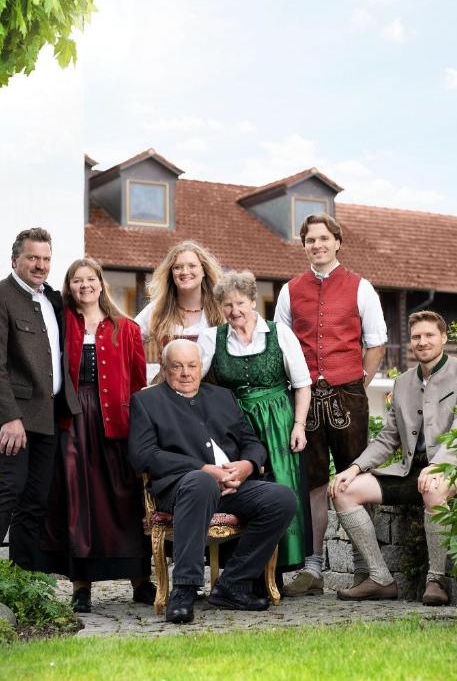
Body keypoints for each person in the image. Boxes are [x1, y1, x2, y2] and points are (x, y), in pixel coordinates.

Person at [127, 339, 297, 624]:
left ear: (201, 367)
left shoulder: (222, 396)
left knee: (282, 499)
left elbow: (251, 443)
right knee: (201, 482)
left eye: (192, 365)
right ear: (165, 369)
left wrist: (246, 466)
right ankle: (184, 590)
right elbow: (143, 455)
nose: (186, 373)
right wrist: (204, 469)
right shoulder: (147, 401)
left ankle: (233, 584)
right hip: (182, 489)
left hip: (232, 486)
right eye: (177, 366)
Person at [329, 311, 457, 604]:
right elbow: (388, 437)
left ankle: (436, 580)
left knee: (434, 488)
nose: (422, 342)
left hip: (454, 464)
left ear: (443, 338)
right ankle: (380, 579)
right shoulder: (402, 383)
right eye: (416, 337)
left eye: (429, 335)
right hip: (410, 469)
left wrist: (439, 464)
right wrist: (354, 468)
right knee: (344, 491)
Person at [274, 213, 387, 596]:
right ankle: (313, 568)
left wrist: (360, 382)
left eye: (324, 238)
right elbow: (283, 345)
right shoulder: (291, 290)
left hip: (349, 395)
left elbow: (376, 342)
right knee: (313, 483)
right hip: (304, 399)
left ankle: (362, 566)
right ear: (304, 245)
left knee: (355, 477)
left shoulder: (360, 287)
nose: (317, 245)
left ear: (337, 242)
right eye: (310, 240)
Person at [0, 227, 81, 598]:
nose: (40, 265)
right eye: (33, 258)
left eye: (46, 259)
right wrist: (8, 417)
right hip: (14, 416)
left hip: (48, 414)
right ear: (15, 259)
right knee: (11, 489)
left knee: (36, 499)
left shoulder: (51, 300)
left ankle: (25, 576)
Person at [42, 258, 154, 613]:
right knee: (78, 500)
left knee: (124, 498)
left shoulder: (128, 328)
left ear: (102, 283)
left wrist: (141, 427)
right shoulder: (61, 323)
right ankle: (81, 585)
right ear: (69, 286)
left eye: (91, 279)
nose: (85, 285)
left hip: (116, 424)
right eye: (77, 280)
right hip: (73, 421)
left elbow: (138, 384)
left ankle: (140, 580)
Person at [196, 270, 312, 576]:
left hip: (278, 420)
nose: (235, 311)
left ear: (253, 301)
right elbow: (192, 377)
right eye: (227, 305)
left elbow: (302, 384)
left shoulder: (279, 333)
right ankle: (245, 570)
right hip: (234, 424)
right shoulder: (212, 337)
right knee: (239, 489)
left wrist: (299, 424)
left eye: (240, 303)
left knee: (282, 487)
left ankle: (280, 569)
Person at [135, 241, 225, 357]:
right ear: (171, 273)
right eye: (177, 267)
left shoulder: (220, 309)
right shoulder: (159, 308)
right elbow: (127, 338)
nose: (185, 272)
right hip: (167, 375)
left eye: (192, 266)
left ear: (203, 271)